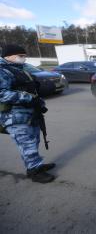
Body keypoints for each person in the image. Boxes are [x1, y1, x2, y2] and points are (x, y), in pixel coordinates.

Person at [0, 44, 55, 183]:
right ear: (8, 56)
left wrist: (39, 100)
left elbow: (30, 89)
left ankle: (37, 165)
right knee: (27, 144)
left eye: (24, 56)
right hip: (14, 115)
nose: (23, 58)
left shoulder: (18, 69)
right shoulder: (2, 71)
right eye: (21, 56)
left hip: (29, 113)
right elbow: (2, 93)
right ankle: (34, 171)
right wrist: (29, 98)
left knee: (33, 141)